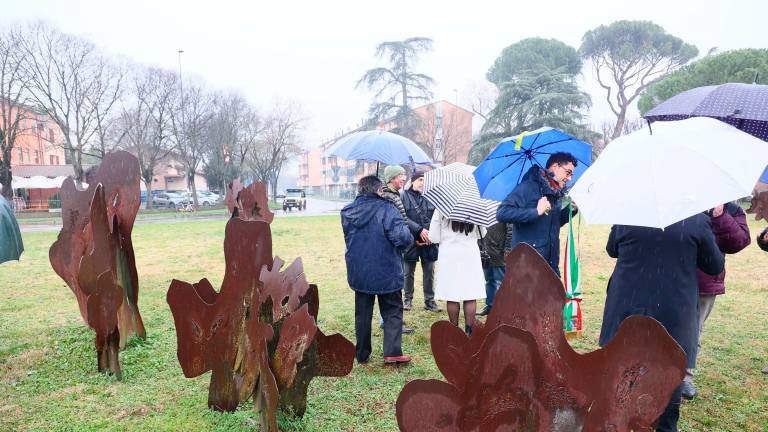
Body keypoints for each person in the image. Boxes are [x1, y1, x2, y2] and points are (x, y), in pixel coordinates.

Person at [599, 215, 724, 432]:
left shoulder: (629, 214)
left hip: (628, 304)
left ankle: (619, 420)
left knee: (625, 367)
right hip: (673, 309)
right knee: (669, 369)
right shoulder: (695, 219)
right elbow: (714, 265)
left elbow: (612, 249)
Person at [341, 175, 414, 365]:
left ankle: (362, 353)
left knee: (362, 313)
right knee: (393, 310)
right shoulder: (388, 210)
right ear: (378, 190)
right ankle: (392, 352)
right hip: (387, 270)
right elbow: (403, 238)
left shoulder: (347, 211)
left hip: (360, 270)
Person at [682, 203, 750, 400]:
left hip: (704, 281)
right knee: (664, 326)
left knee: (693, 331)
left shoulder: (732, 209)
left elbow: (739, 241)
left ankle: (684, 378)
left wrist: (720, 216)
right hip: (674, 276)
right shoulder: (683, 199)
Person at [496, 152, 578, 276]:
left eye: (572, 174)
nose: (570, 178)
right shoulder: (528, 187)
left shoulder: (555, 193)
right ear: (555, 166)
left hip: (550, 265)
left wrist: (570, 210)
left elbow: (552, 223)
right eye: (568, 172)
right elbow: (502, 212)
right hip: (527, 266)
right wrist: (536, 211)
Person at [379, 165, 424, 333]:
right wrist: (407, 241)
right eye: (400, 175)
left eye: (404, 175)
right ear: (391, 179)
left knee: (392, 286)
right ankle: (390, 322)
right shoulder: (388, 197)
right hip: (392, 247)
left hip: (397, 246)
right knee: (393, 287)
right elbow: (395, 225)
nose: (404, 178)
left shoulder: (393, 195)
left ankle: (389, 320)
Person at [428, 210, 486, 335]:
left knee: (452, 294)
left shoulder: (442, 208)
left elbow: (433, 237)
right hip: (470, 254)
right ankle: (469, 332)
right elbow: (482, 234)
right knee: (470, 294)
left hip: (449, 254)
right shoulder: (473, 206)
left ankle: (454, 332)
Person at [401, 170, 440, 312]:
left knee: (429, 272)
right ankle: (407, 300)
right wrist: (419, 230)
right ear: (413, 181)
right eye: (420, 180)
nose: (422, 183)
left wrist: (431, 234)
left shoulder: (432, 197)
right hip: (410, 240)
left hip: (429, 241)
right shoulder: (403, 196)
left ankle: (429, 301)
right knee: (408, 272)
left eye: (425, 180)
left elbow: (437, 217)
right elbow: (402, 217)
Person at [478, 221, 507, 316]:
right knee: (489, 280)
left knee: (500, 281)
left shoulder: (503, 207)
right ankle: (490, 306)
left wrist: (507, 248)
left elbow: (510, 229)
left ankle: (501, 308)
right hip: (486, 250)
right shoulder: (482, 207)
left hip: (499, 251)